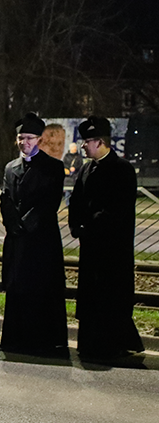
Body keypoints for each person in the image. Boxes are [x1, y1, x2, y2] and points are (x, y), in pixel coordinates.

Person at [68, 116, 144, 359]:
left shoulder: (122, 169)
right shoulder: (86, 168)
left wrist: (88, 226)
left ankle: (114, 344)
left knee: (111, 295)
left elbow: (116, 209)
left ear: (99, 142)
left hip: (113, 248)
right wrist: (75, 225)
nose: (82, 146)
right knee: (91, 295)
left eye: (86, 142)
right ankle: (91, 344)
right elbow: (76, 201)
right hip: (90, 245)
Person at [0, 113, 68, 356]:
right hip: (17, 238)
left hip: (41, 239)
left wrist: (26, 224)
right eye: (20, 138)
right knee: (17, 289)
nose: (24, 142)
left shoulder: (53, 167)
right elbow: (5, 198)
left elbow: (49, 202)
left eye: (29, 138)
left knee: (41, 289)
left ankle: (43, 341)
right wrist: (11, 222)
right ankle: (16, 339)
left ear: (38, 139)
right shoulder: (10, 167)